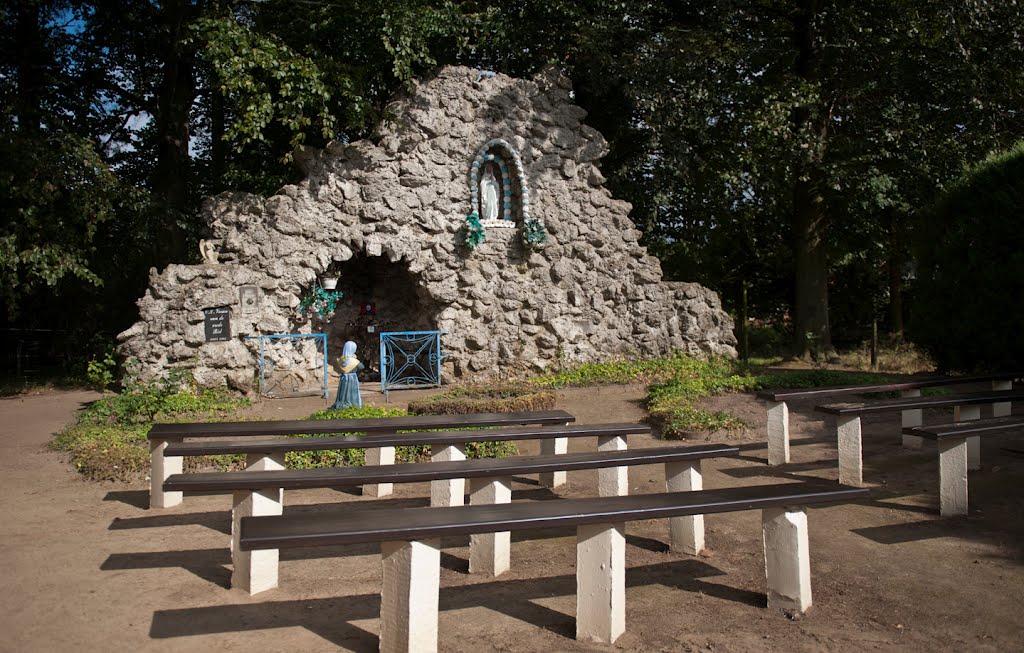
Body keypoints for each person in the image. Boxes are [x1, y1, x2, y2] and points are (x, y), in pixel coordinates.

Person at [330, 341, 364, 409]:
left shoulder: (341, 359)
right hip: (352, 378)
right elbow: (361, 367)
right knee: (352, 393)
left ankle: (342, 403)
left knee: (343, 392)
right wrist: (356, 359)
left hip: (344, 378)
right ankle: (353, 404)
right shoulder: (354, 361)